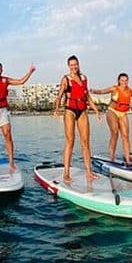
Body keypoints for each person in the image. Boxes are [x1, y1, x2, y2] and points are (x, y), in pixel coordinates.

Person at [53, 55, 103, 183]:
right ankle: (66, 173)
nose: (74, 67)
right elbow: (59, 95)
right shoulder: (66, 79)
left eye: (75, 64)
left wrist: (96, 110)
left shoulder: (84, 78)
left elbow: (87, 96)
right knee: (70, 141)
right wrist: (57, 109)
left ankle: (89, 172)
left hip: (82, 110)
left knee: (85, 142)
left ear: (78, 64)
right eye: (71, 65)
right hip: (70, 110)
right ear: (68, 66)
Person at [0, 61, 36, 172]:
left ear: (2, 70)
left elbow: (21, 81)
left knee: (7, 136)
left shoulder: (6, 80)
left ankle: (11, 162)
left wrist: (30, 72)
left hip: (2, 111)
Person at [91, 73, 132, 166]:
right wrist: (93, 91)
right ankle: (112, 157)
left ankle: (128, 159)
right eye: (122, 80)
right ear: (119, 81)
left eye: (126, 80)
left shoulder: (129, 90)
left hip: (123, 113)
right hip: (112, 111)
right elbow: (102, 91)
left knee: (125, 136)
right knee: (115, 133)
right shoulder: (114, 88)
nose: (124, 82)